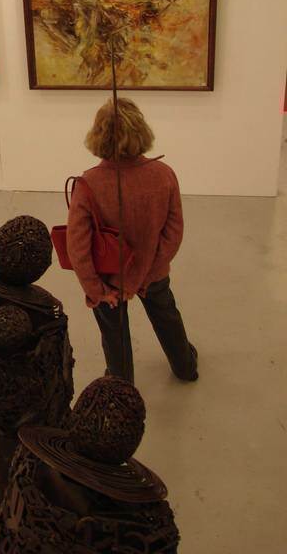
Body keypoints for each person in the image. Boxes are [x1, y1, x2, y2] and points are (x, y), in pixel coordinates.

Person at [67, 98, 198, 385]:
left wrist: (97, 290)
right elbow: (174, 231)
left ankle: (121, 386)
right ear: (141, 130)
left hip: (108, 281)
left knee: (114, 336)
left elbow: (77, 247)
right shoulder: (164, 175)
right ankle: (185, 366)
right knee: (167, 317)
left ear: (99, 134)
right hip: (154, 274)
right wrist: (146, 273)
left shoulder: (88, 184)